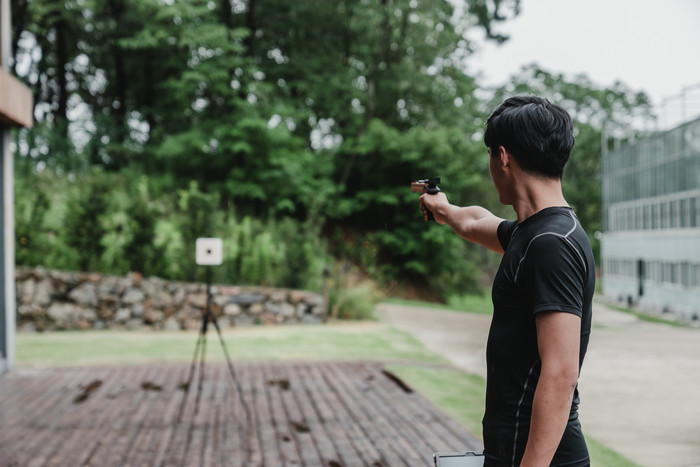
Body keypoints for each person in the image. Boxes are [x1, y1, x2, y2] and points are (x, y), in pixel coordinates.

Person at [420, 95, 594, 467]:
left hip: (540, 457)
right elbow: (473, 222)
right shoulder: (532, 234)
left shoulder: (551, 245)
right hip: (513, 449)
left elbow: (561, 373)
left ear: (502, 157)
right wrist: (443, 208)